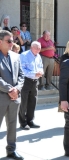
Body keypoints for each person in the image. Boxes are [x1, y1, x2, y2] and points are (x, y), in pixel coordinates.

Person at [0, 30, 24, 160]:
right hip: (1, 97)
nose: (12, 43)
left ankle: (11, 150)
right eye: (8, 41)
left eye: (12, 40)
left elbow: (21, 75)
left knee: (13, 124)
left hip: (15, 98)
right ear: (0, 42)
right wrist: (10, 89)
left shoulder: (15, 56)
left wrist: (17, 89)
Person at [19, 41, 43, 130]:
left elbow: (41, 66)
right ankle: (23, 122)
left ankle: (30, 121)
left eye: (39, 48)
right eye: (37, 48)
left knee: (33, 101)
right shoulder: (24, 55)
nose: (38, 50)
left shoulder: (39, 56)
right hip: (26, 81)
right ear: (32, 47)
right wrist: (34, 73)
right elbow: (22, 69)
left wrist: (41, 72)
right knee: (23, 102)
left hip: (35, 81)